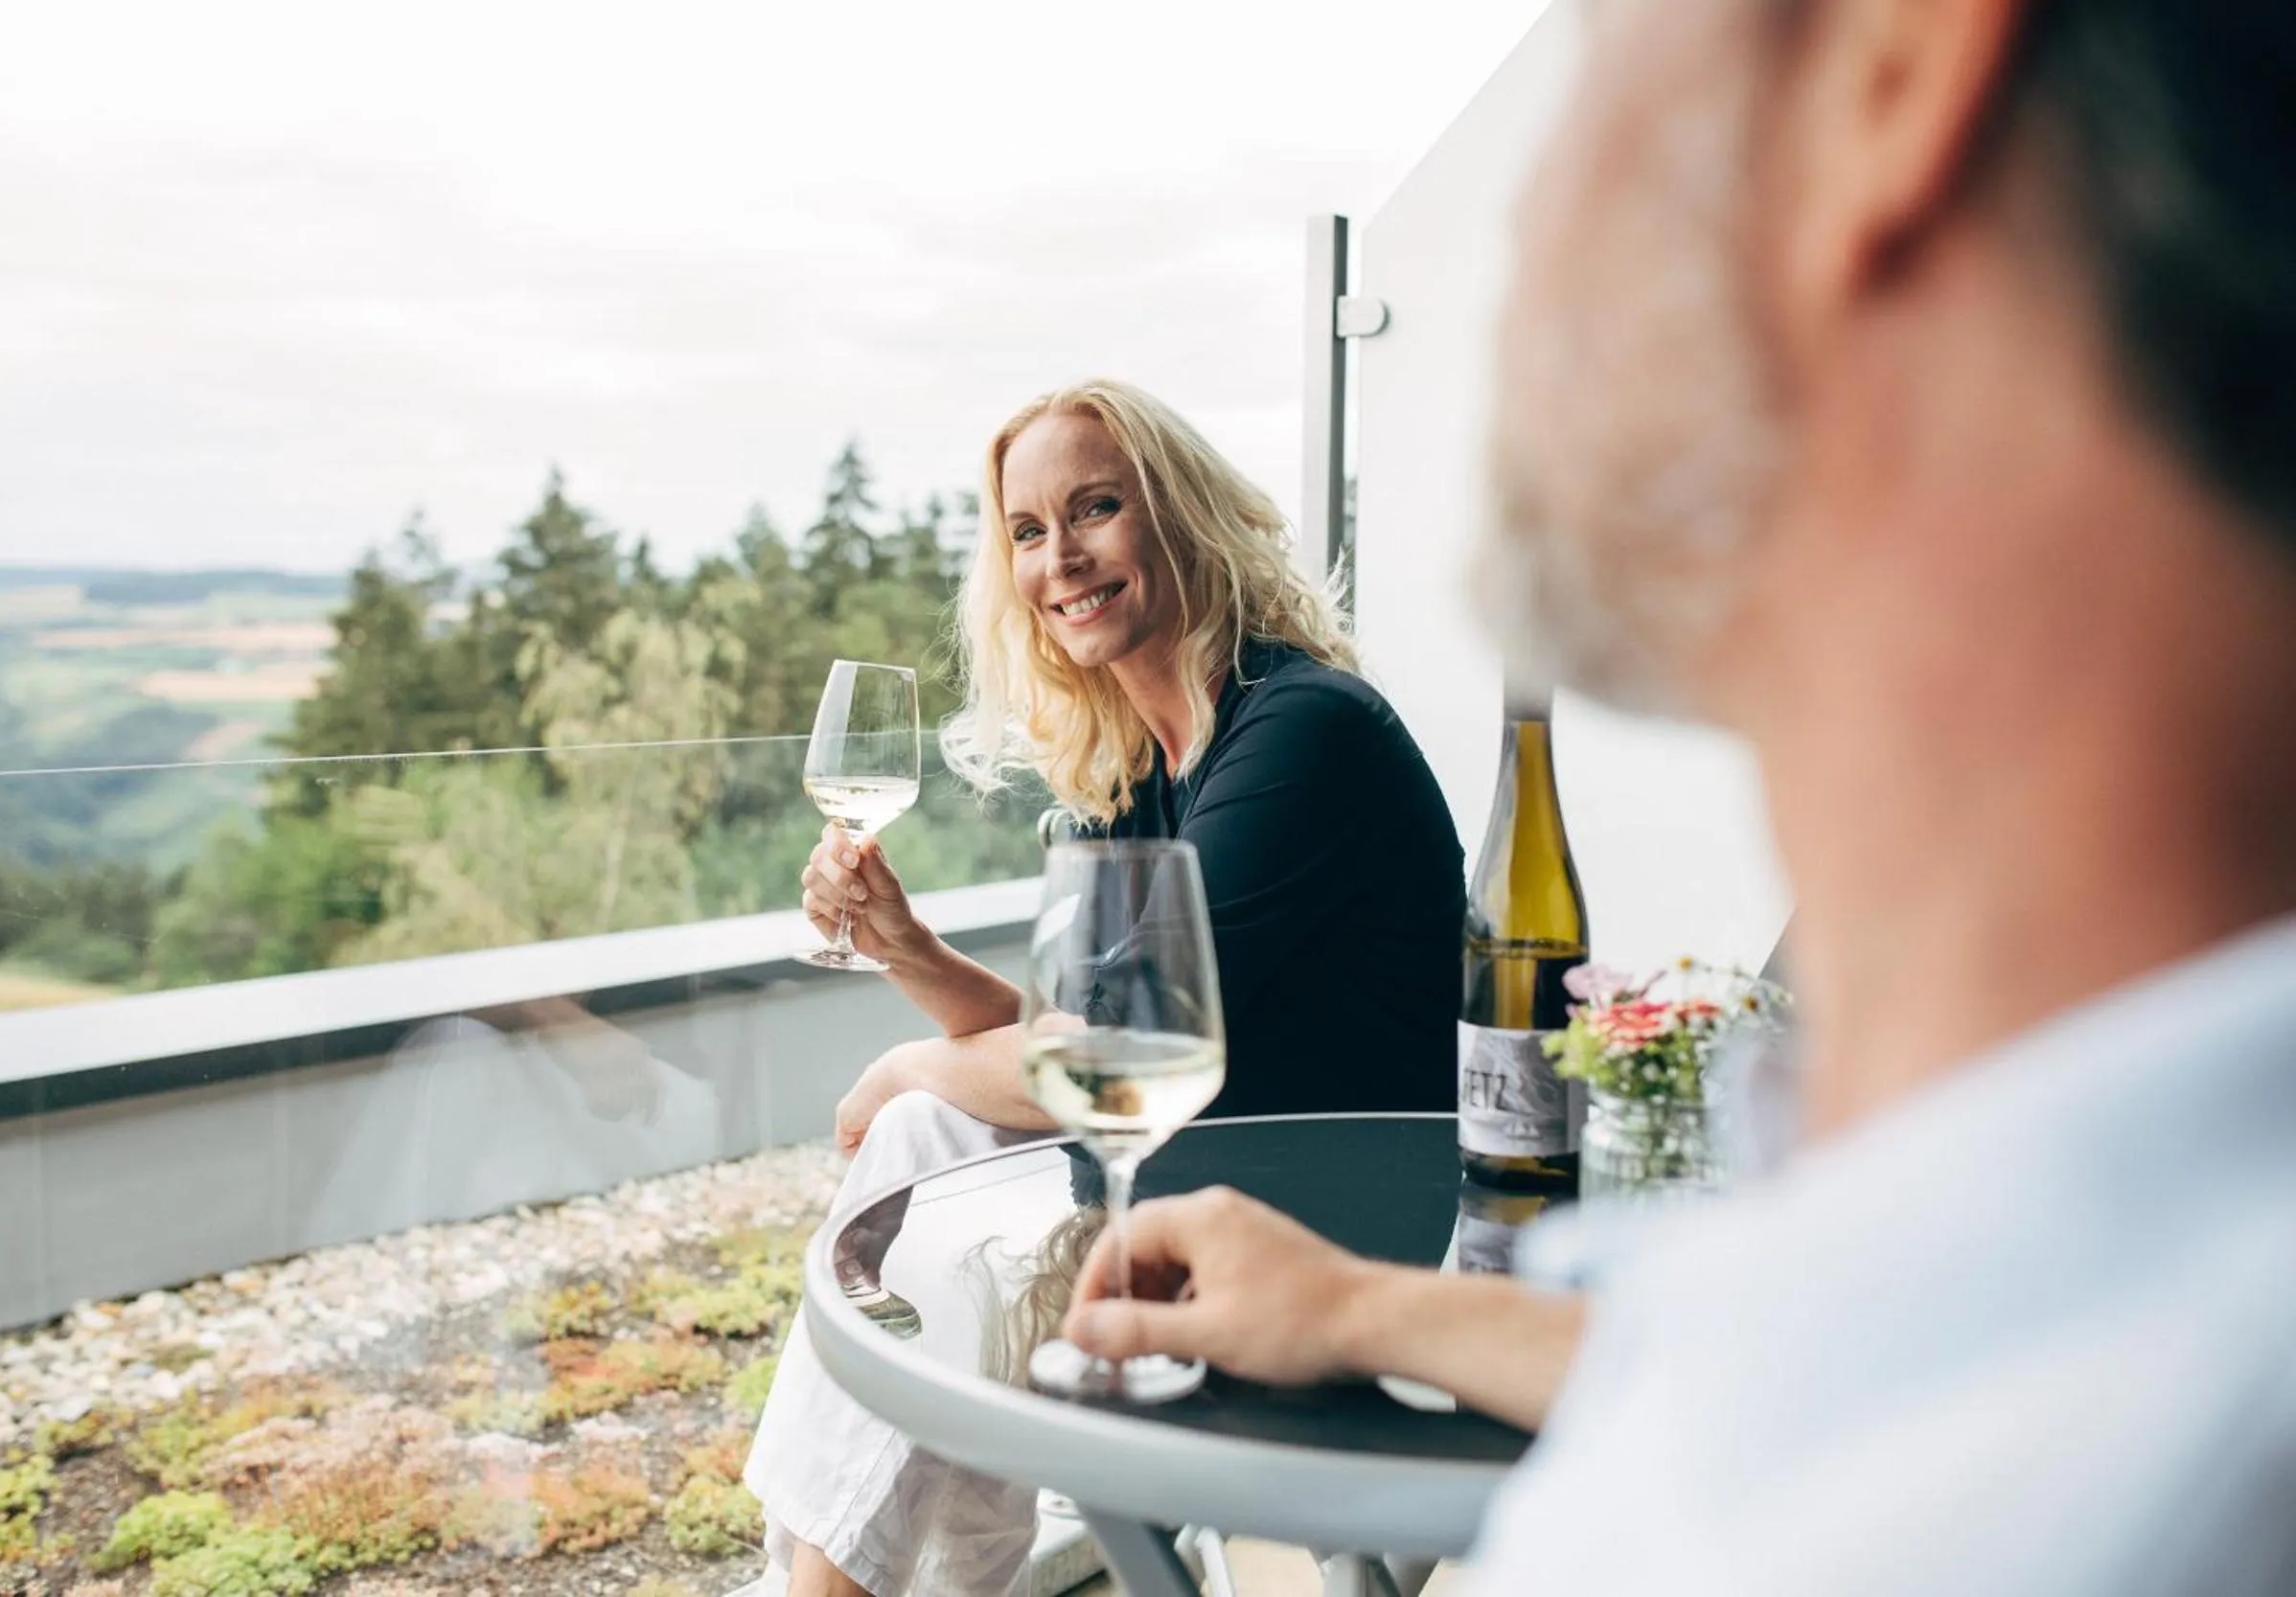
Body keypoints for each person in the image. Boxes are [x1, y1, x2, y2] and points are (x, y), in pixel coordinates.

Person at [1064, 1, 2296, 1592]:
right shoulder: (2066, 1270)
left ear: (1890, 65)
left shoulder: (2062, 1511)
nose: (1526, 204)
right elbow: (1823, 1346)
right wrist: (1370, 1307)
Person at [743, 378, 1467, 1596]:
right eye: (1027, 531)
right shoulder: (1140, 764)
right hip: (1200, 1176)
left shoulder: (1301, 734)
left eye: (1093, 508)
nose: (1059, 559)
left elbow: (1104, 1066)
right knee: (934, 1151)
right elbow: (1071, 1047)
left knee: (927, 1146)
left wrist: (908, 1060)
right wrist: (907, 947)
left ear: (1179, 513)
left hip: (1328, 1213)